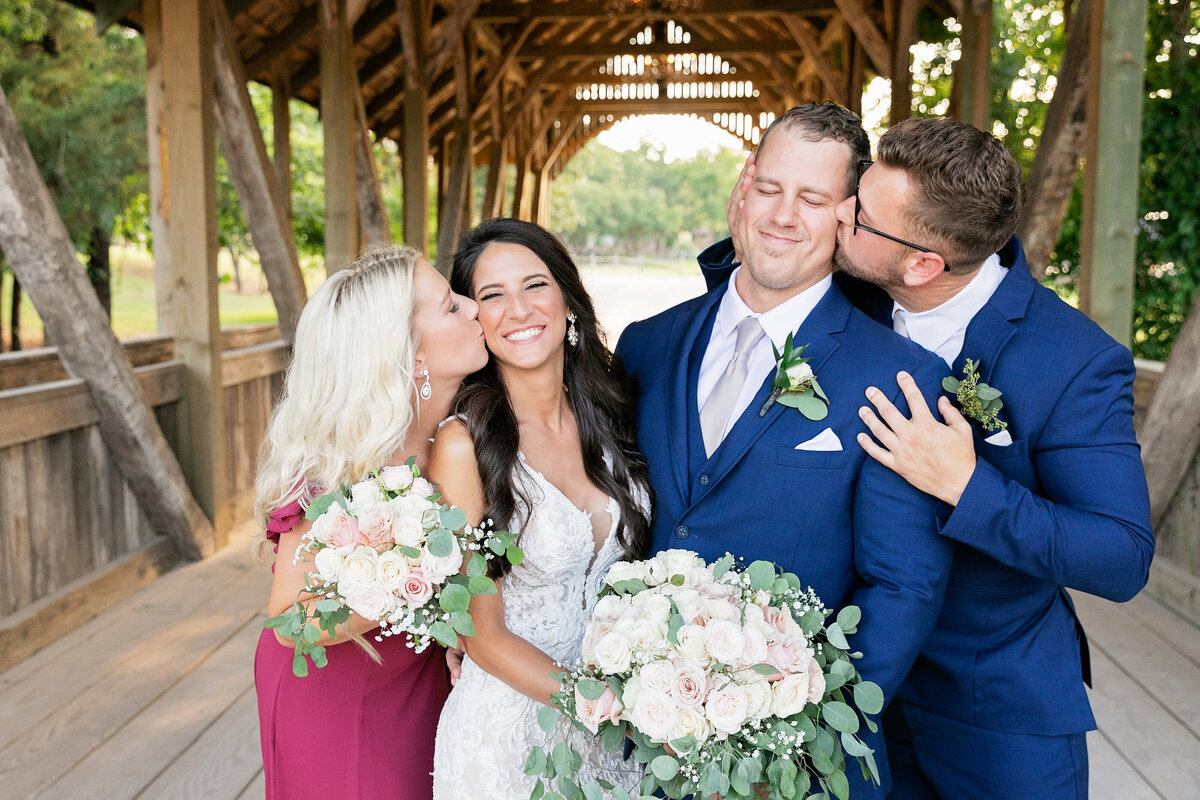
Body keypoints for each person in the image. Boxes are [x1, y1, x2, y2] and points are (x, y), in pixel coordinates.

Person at [706, 117, 1155, 798]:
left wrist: (969, 485)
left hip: (994, 714)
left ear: (922, 264)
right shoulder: (861, 283)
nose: (841, 215)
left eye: (859, 214)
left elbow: (1121, 556)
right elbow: (752, 292)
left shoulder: (1071, 360)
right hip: (844, 690)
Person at [614, 103, 956, 799]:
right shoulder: (645, 344)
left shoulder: (896, 378)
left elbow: (903, 588)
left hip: (798, 770)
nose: (781, 215)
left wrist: (797, 742)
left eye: (812, 198)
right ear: (744, 185)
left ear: (848, 216)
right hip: (640, 748)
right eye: (770, 187)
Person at [252, 243, 489, 800]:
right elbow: (293, 621)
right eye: (451, 306)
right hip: (337, 695)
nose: (474, 306)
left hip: (416, 679)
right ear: (409, 355)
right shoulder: (338, 462)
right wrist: (417, 572)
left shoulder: (458, 439)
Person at [429, 218, 650, 798]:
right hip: (509, 734)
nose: (518, 309)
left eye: (534, 285)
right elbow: (480, 632)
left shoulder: (614, 415)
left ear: (569, 301)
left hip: (620, 736)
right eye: (491, 295)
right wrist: (589, 698)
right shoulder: (464, 446)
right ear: (476, 319)